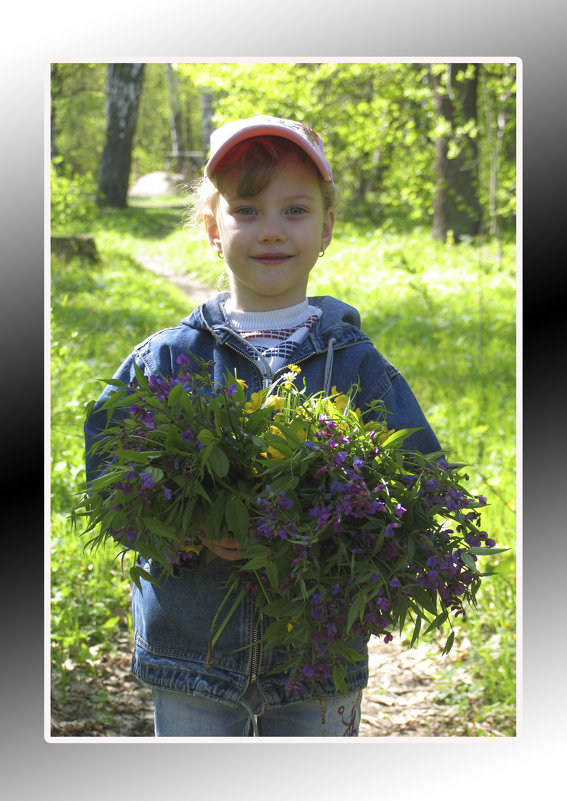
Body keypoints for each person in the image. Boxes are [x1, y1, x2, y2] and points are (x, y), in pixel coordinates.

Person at [85, 115, 441, 737]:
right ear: (211, 230)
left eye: (295, 210)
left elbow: (420, 489)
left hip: (316, 663)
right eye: (246, 210)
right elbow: (108, 476)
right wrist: (188, 525)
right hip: (192, 656)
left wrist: (331, 529)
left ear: (327, 227)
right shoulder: (168, 361)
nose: (271, 231)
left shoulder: (358, 368)